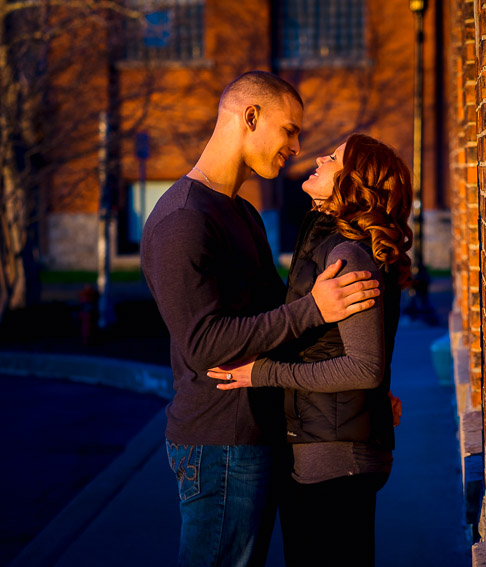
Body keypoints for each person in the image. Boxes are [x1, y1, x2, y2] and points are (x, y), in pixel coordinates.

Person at [140, 72, 380, 567]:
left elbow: (275, 320)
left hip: (260, 435)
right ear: (250, 117)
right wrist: (314, 307)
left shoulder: (240, 212)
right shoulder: (183, 218)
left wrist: (360, 392)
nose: (296, 146)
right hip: (220, 444)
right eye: (289, 130)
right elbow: (205, 344)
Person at [207, 133, 413, 567]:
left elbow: (363, 367)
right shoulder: (325, 239)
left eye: (335, 157)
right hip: (323, 448)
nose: (319, 156)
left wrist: (260, 372)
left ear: (354, 182)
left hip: (336, 461)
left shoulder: (346, 255)